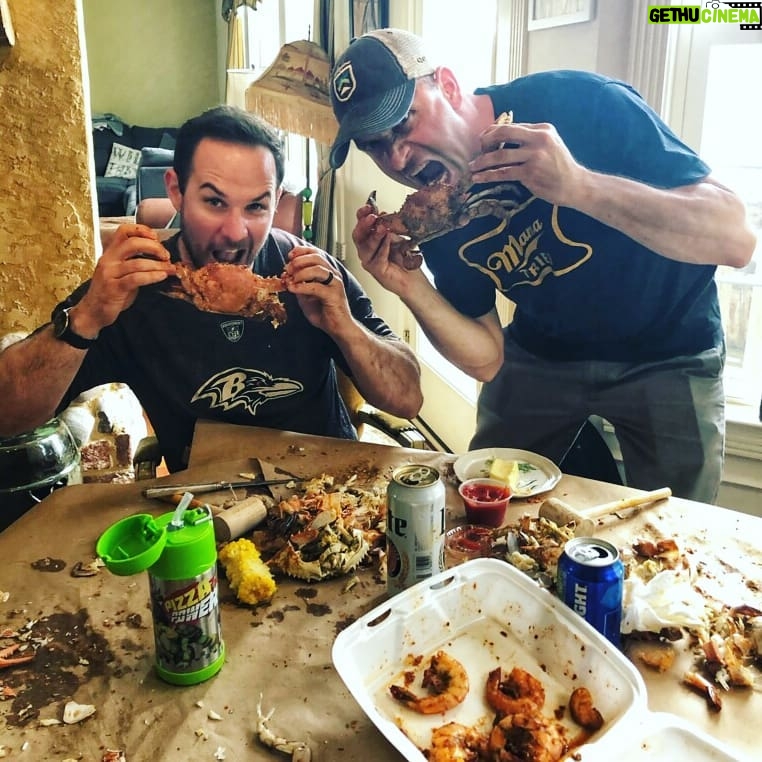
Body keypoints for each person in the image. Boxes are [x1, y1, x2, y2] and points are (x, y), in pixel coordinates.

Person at [329, 28, 756, 503]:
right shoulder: (438, 213)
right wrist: (407, 284)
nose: (398, 158)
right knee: (482, 500)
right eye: (375, 145)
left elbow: (736, 238)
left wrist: (578, 186)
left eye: (404, 123)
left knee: (679, 523)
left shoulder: (578, 103)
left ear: (447, 87)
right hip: (544, 351)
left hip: (669, 346)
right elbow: (487, 359)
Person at [0, 105, 422, 473]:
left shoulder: (308, 272)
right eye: (215, 202)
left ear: (277, 201)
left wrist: (344, 327)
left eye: (256, 206)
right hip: (207, 509)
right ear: (176, 191)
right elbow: (7, 416)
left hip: (329, 490)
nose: (235, 232)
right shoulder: (135, 285)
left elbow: (407, 399)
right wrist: (86, 318)